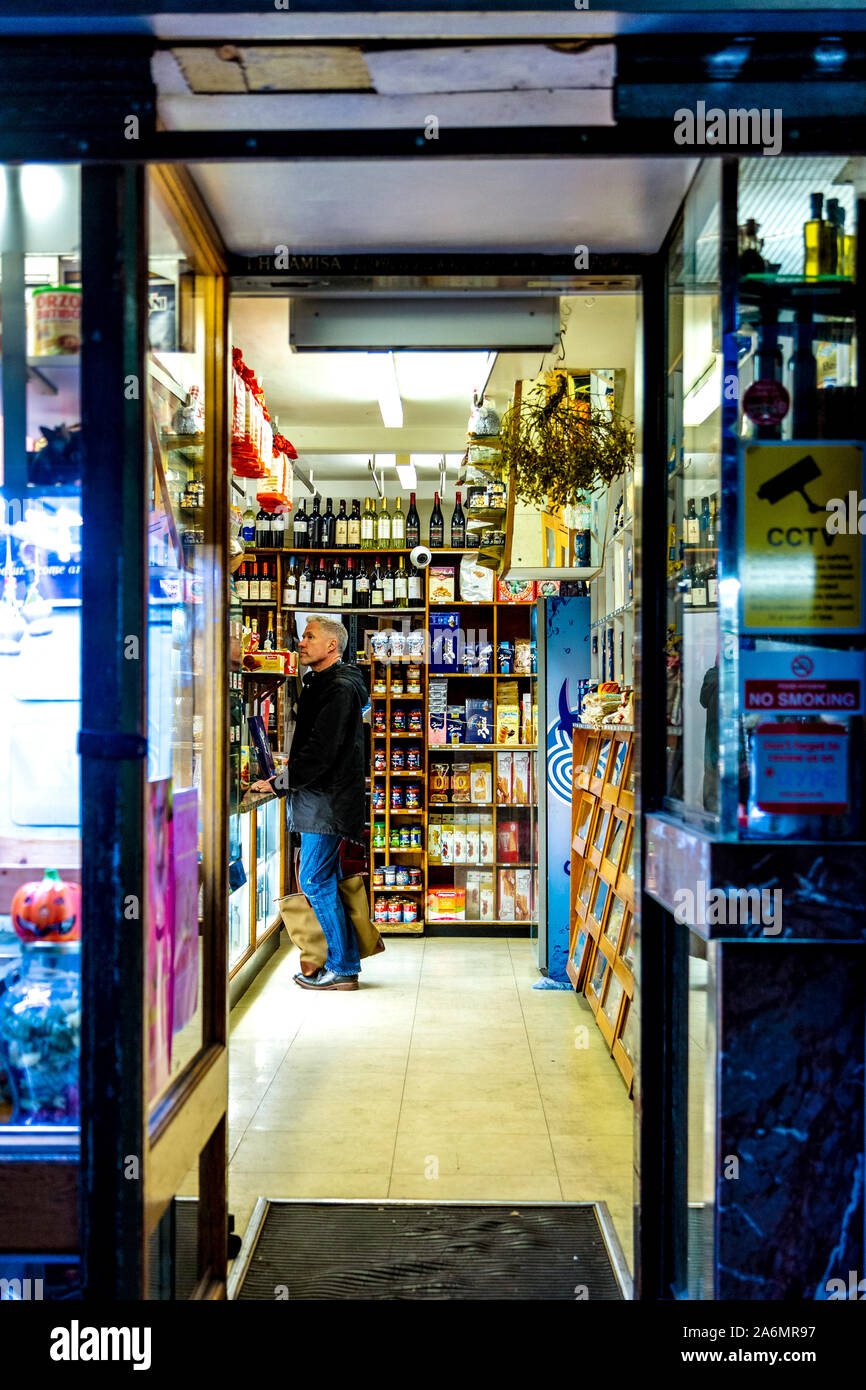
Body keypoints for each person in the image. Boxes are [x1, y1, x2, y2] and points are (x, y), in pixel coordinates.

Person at [252, 617, 367, 991]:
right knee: (322, 878)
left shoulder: (337, 689)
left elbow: (321, 753)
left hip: (326, 803)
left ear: (332, 646)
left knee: (315, 879)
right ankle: (339, 960)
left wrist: (279, 784)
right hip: (323, 799)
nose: (302, 643)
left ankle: (343, 966)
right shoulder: (328, 684)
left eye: (310, 636)